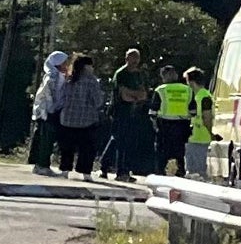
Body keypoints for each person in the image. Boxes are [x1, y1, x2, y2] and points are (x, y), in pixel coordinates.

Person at [56, 55, 104, 182]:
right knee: (87, 149)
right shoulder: (91, 81)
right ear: (87, 67)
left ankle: (65, 170)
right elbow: (98, 101)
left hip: (67, 119)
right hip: (86, 120)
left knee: (67, 148)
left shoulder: (69, 78)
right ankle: (85, 172)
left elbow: (61, 97)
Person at [106, 49, 149, 182]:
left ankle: (120, 168)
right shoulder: (121, 74)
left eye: (137, 58)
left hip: (134, 112)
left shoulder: (139, 74)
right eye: (132, 58)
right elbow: (124, 95)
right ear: (126, 59)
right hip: (120, 111)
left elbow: (143, 94)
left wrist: (134, 96)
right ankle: (120, 171)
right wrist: (135, 96)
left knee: (127, 142)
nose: (135, 61)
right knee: (120, 141)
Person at [28, 51, 69, 176]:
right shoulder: (52, 76)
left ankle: (42, 164)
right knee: (45, 139)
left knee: (48, 139)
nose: (66, 64)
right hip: (47, 112)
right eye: (64, 62)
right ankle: (42, 165)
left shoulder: (60, 75)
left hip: (53, 111)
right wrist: (52, 107)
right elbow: (47, 94)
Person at [150, 64, 192, 177]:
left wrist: (154, 125)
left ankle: (160, 171)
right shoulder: (187, 89)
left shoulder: (160, 90)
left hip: (164, 125)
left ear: (163, 76)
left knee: (162, 151)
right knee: (180, 150)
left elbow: (153, 111)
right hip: (182, 124)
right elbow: (193, 110)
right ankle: (181, 170)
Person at [184, 66, 213, 179]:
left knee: (195, 172)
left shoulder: (201, 96)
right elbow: (206, 118)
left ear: (191, 82)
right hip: (197, 138)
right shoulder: (202, 96)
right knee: (196, 173)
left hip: (198, 139)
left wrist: (211, 134)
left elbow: (206, 117)